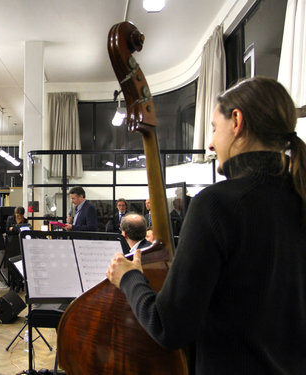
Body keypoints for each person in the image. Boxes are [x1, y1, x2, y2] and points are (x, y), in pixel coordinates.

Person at [106, 77, 306, 374]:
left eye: (214, 127)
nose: (211, 143)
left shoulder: (216, 204)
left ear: (236, 121)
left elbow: (168, 328)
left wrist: (129, 278)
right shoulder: (299, 196)